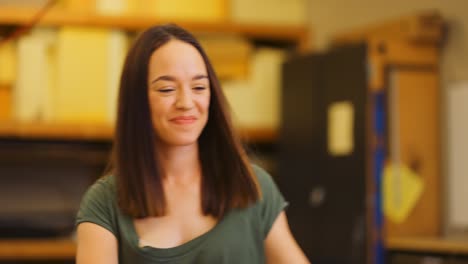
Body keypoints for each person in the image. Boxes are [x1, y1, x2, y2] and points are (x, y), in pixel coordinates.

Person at [75, 24, 309, 264]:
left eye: (199, 87)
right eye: (167, 89)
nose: (186, 102)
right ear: (137, 101)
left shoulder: (252, 186)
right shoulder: (104, 203)